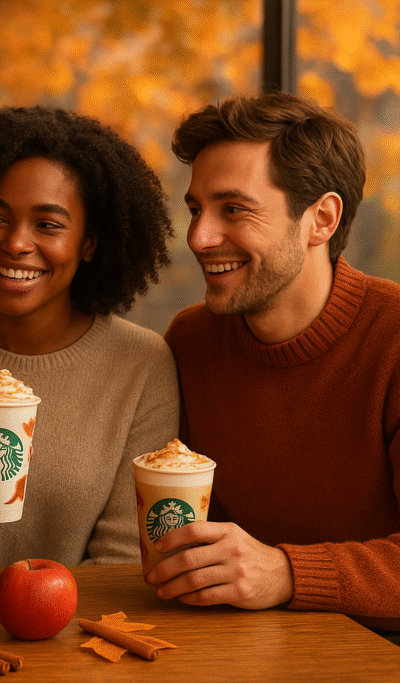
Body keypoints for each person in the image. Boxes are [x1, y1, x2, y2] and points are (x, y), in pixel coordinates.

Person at [0, 106, 180, 571]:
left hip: (81, 633)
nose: (16, 243)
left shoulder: (142, 364)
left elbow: (126, 559)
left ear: (90, 243)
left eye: (48, 225)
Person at [159, 92, 400, 635]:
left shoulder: (393, 338)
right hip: (237, 651)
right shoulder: (190, 341)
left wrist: (288, 573)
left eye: (234, 209)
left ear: (321, 219)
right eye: (196, 209)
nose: (199, 238)